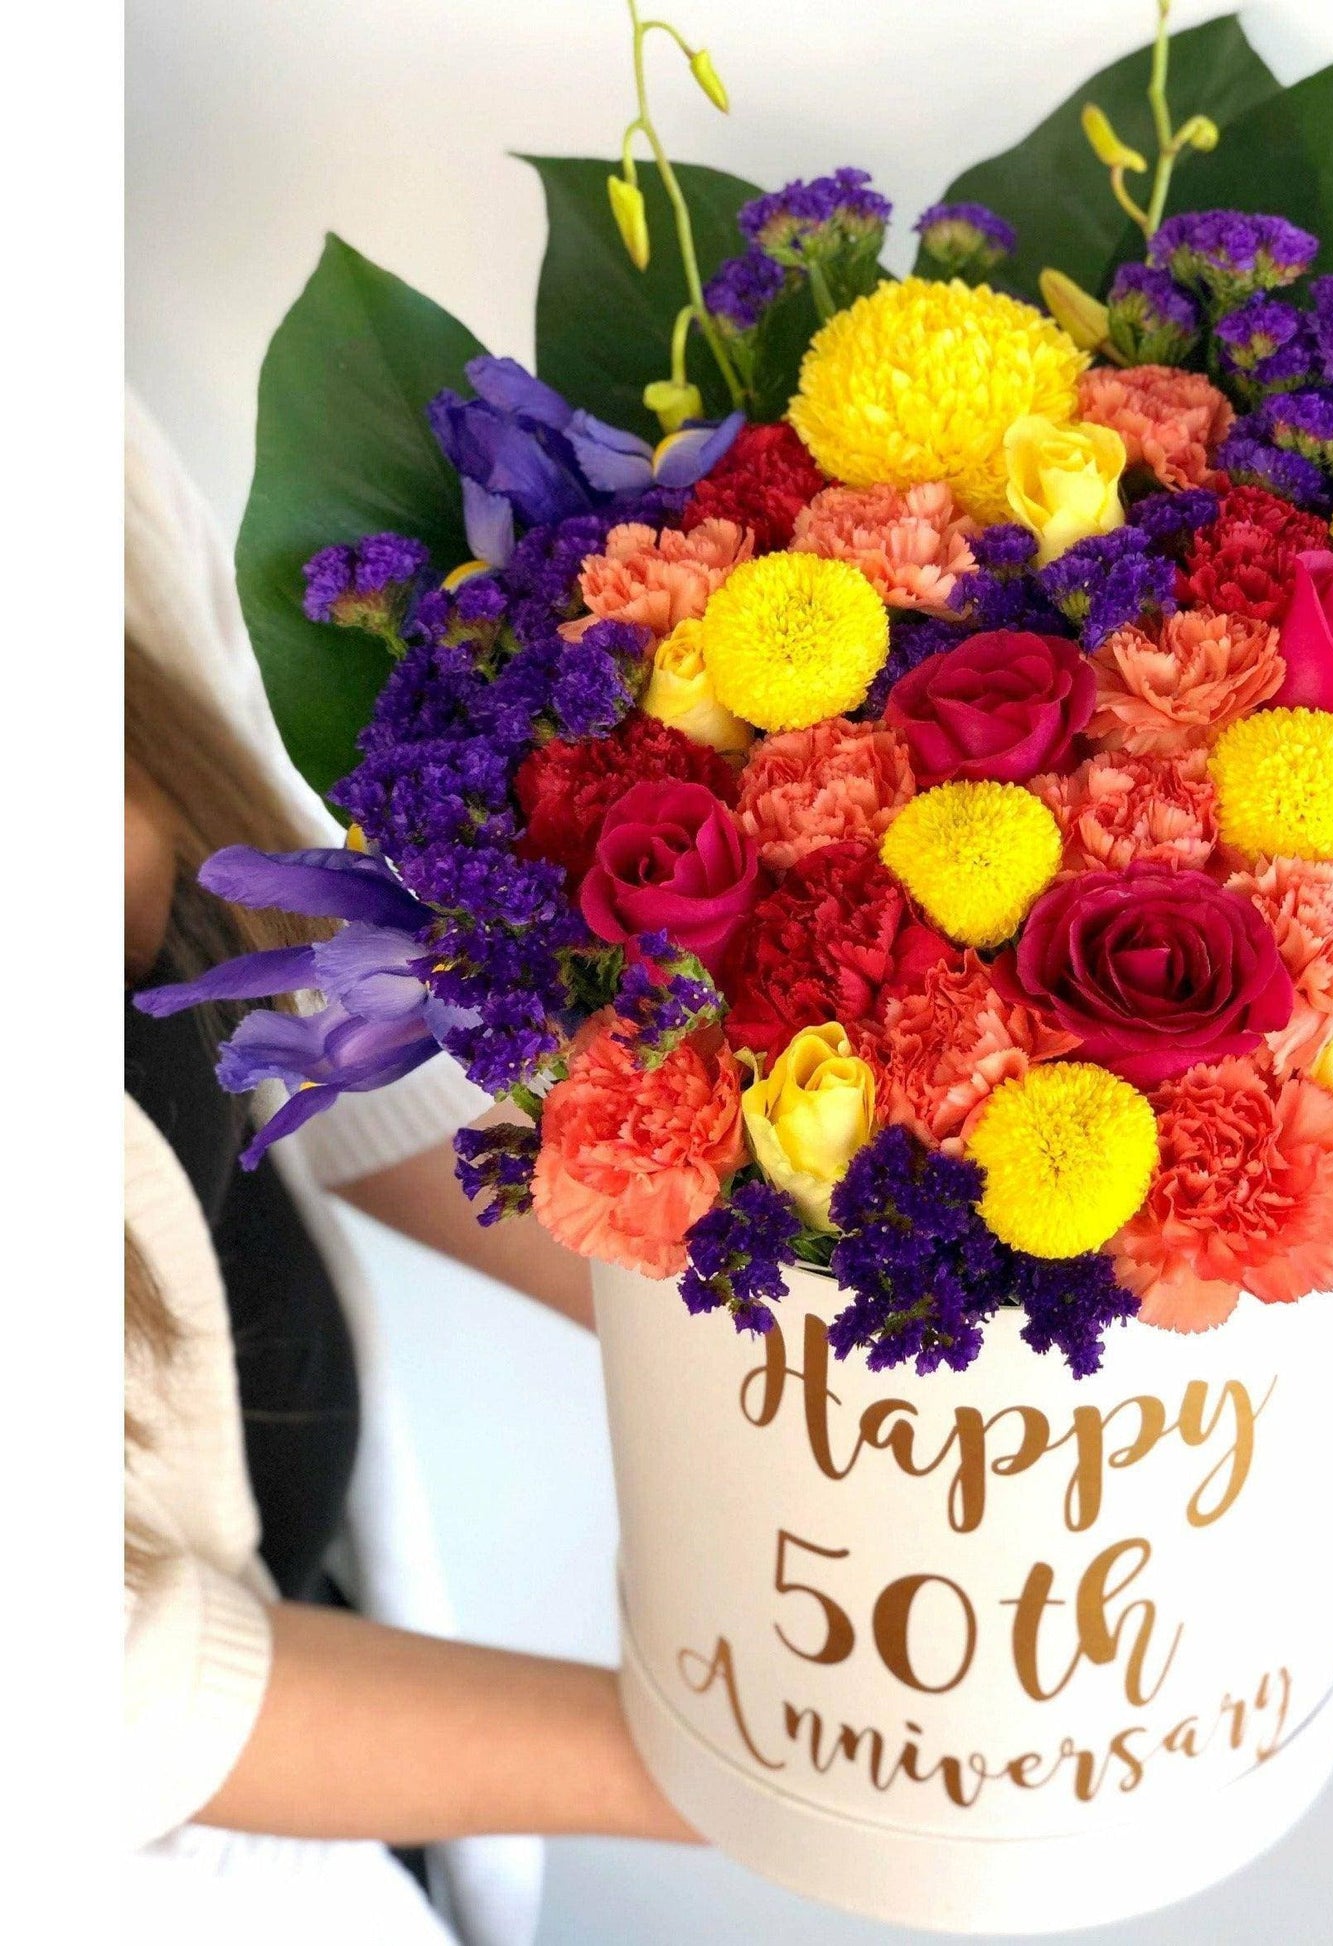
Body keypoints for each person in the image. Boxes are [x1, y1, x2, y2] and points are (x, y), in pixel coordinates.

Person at [124, 397, 696, 1943]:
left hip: (332, 1644)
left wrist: (785, 1351)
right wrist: (764, 1768)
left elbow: (323, 1010)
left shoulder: (81, 457)